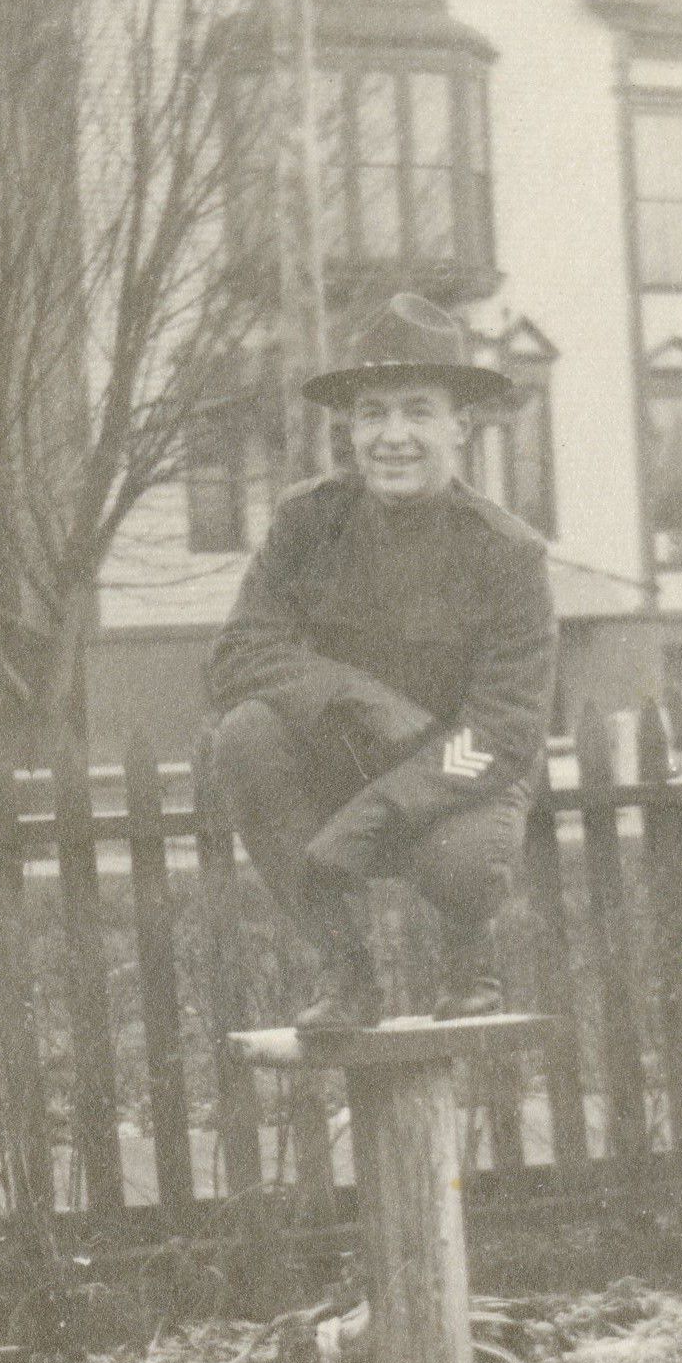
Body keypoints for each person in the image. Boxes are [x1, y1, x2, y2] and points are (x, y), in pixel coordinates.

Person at [206, 291, 559, 1031]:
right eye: (372, 414)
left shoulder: (507, 553)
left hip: (463, 771)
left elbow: (499, 733)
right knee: (244, 735)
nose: (392, 437)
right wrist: (363, 701)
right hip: (347, 754)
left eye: (417, 411)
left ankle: (468, 964)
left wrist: (378, 813)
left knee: (462, 863)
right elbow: (237, 655)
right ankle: (347, 976)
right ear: (350, 427)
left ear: (458, 426)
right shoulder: (309, 521)